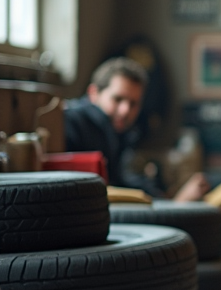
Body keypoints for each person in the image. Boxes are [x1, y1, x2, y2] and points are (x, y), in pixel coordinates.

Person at [64, 57, 209, 201]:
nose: (125, 110)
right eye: (118, 99)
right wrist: (178, 203)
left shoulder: (121, 133)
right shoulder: (72, 123)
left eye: (133, 104)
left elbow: (120, 181)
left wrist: (162, 199)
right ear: (93, 93)